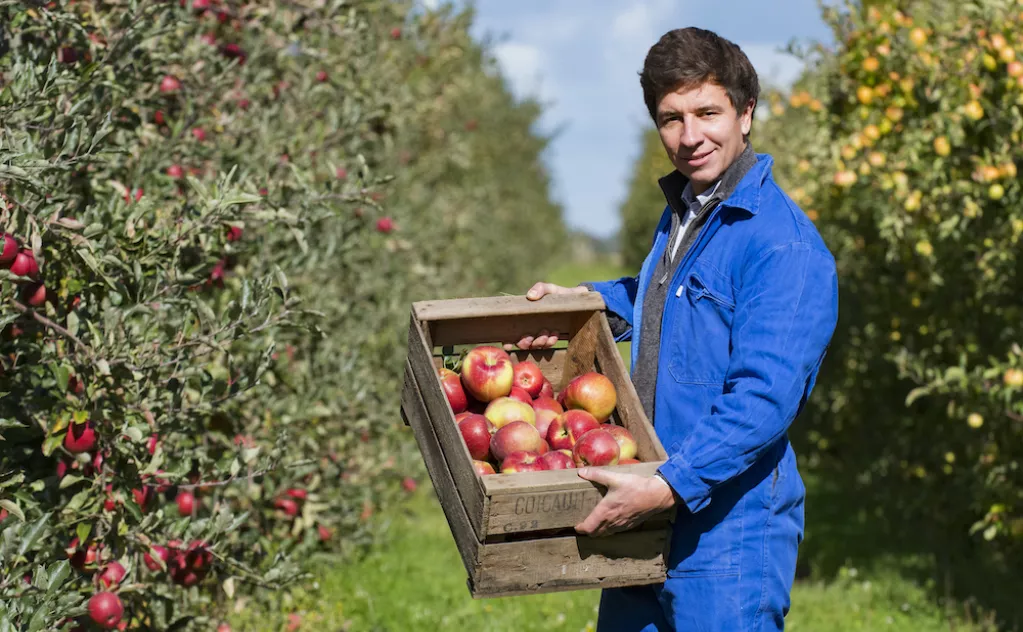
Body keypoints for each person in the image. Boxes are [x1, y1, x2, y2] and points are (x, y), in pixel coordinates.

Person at [506, 27, 839, 631]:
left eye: (707, 112)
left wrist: (668, 486)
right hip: (647, 502)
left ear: (746, 112)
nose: (690, 137)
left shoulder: (781, 245)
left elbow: (764, 399)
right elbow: (671, 300)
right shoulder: (689, 212)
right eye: (671, 119)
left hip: (725, 529)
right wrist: (584, 305)